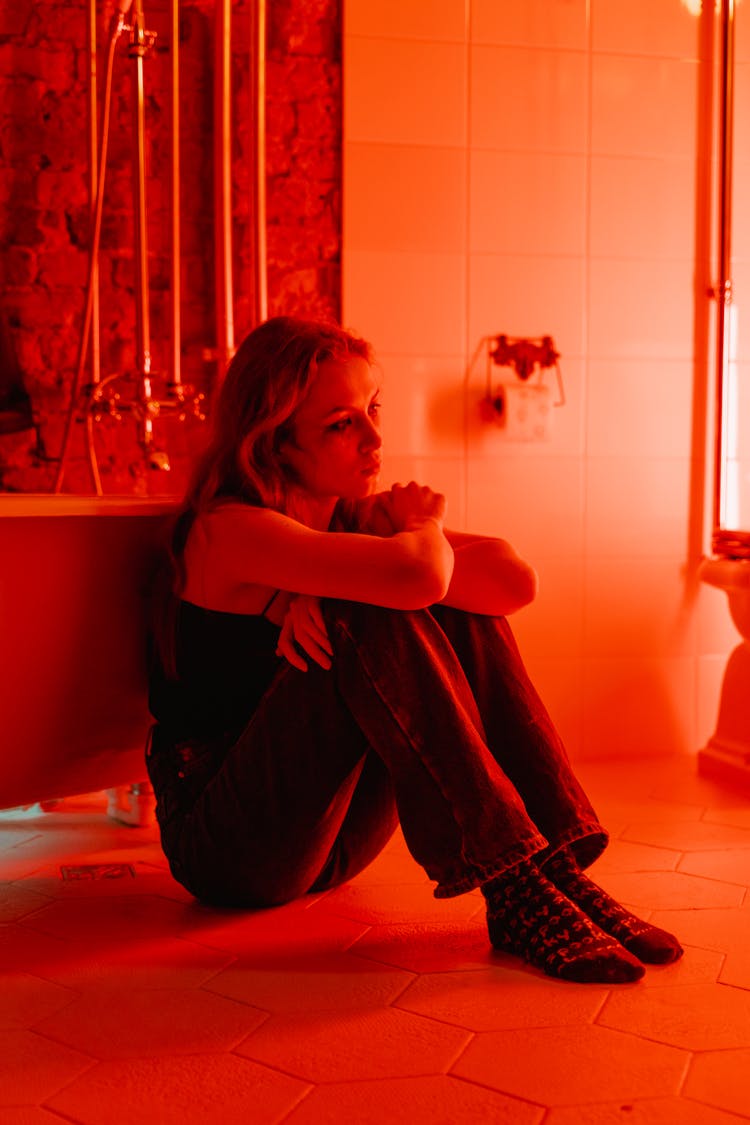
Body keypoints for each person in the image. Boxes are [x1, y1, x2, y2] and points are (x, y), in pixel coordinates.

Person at [147, 315, 683, 985]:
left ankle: (552, 864)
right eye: (341, 424)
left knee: (439, 597)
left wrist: (378, 561)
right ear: (276, 444)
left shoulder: (354, 518)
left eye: (372, 409)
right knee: (390, 595)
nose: (375, 439)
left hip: (332, 835)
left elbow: (515, 582)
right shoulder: (229, 529)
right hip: (231, 843)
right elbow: (418, 575)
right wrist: (418, 531)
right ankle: (514, 882)